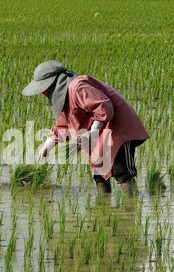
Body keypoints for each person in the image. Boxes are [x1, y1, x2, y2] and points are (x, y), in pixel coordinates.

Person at [22, 61, 149, 195]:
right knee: (99, 175)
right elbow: (62, 124)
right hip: (100, 134)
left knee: (121, 171)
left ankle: (131, 208)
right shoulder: (62, 97)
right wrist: (47, 146)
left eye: (43, 89)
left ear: (52, 83)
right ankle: (102, 210)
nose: (43, 93)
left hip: (117, 129)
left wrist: (93, 131)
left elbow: (104, 106)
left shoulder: (77, 87)